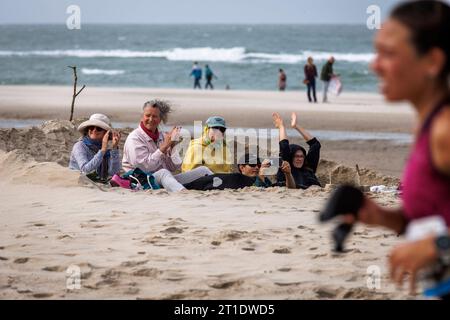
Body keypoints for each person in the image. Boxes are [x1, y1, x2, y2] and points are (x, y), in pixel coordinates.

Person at [340, 0, 450, 295]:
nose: (373, 64)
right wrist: (384, 217)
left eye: (388, 53)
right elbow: (436, 215)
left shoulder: (445, 129)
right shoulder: (427, 124)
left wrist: (435, 246)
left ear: (432, 62)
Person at [122, 100, 212, 192]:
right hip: (141, 181)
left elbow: (174, 167)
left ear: (160, 119)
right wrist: (163, 148)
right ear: (142, 117)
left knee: (203, 170)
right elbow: (144, 168)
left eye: (155, 116)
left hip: (163, 180)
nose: (151, 119)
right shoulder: (134, 138)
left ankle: (221, 186)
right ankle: (184, 194)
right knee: (163, 173)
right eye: (148, 115)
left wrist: (172, 146)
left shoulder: (162, 136)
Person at [183, 153, 295, 190]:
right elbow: (253, 188)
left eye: (258, 165)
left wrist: (288, 174)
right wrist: (260, 174)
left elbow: (290, 189)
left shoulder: (264, 180)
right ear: (241, 167)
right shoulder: (236, 178)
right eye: (251, 165)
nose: (256, 167)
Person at [272, 112, 321, 189]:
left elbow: (315, 145)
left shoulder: (308, 167)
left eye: (302, 156)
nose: (300, 159)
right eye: (296, 156)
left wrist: (296, 126)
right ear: (290, 157)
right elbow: (284, 146)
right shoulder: (285, 166)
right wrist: (281, 127)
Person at [69, 113, 121, 183]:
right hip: (77, 185)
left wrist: (114, 148)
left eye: (99, 128)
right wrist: (102, 151)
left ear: (106, 133)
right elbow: (85, 170)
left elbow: (114, 174)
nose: (94, 130)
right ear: (88, 130)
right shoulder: (79, 146)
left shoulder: (106, 150)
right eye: (91, 127)